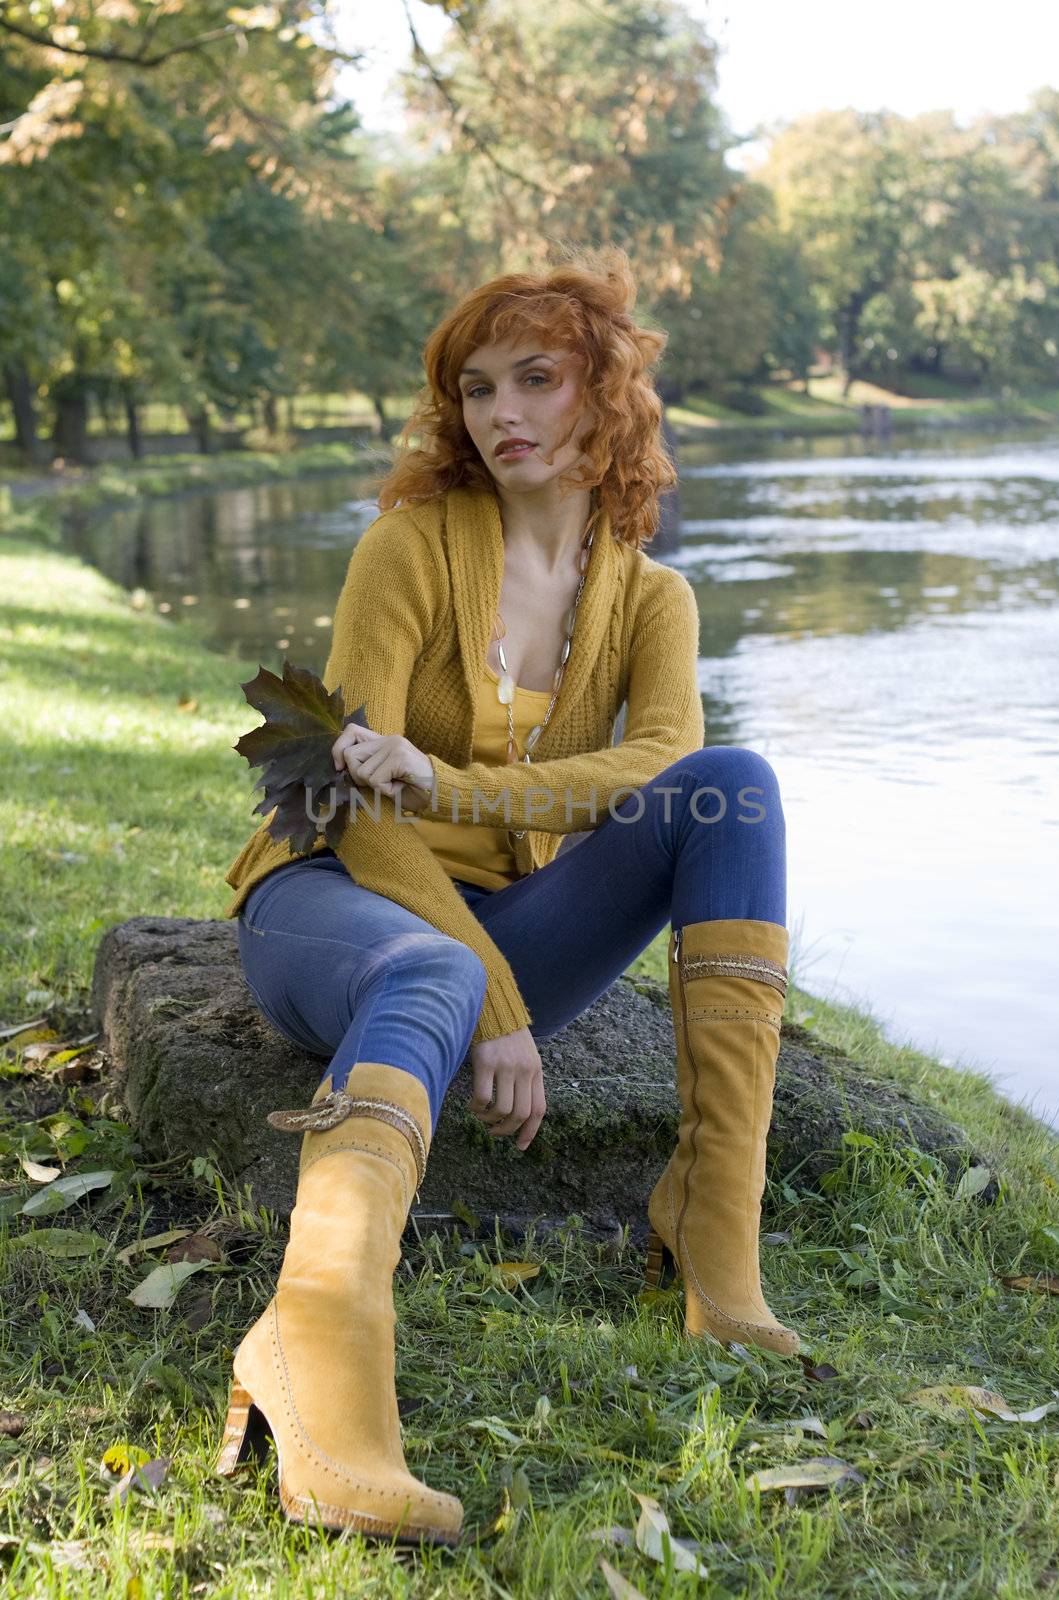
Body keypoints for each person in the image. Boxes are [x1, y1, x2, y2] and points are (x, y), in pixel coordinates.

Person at [214, 245, 799, 1546]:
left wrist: (454, 783)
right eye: (479, 388)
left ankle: (714, 1240)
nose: (505, 413)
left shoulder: (655, 599)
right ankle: (311, 1338)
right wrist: (493, 995)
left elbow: (662, 766)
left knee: (735, 787)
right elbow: (358, 807)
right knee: (431, 968)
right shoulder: (407, 549)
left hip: (516, 920)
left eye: (539, 378)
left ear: (610, 398)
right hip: (336, 899)